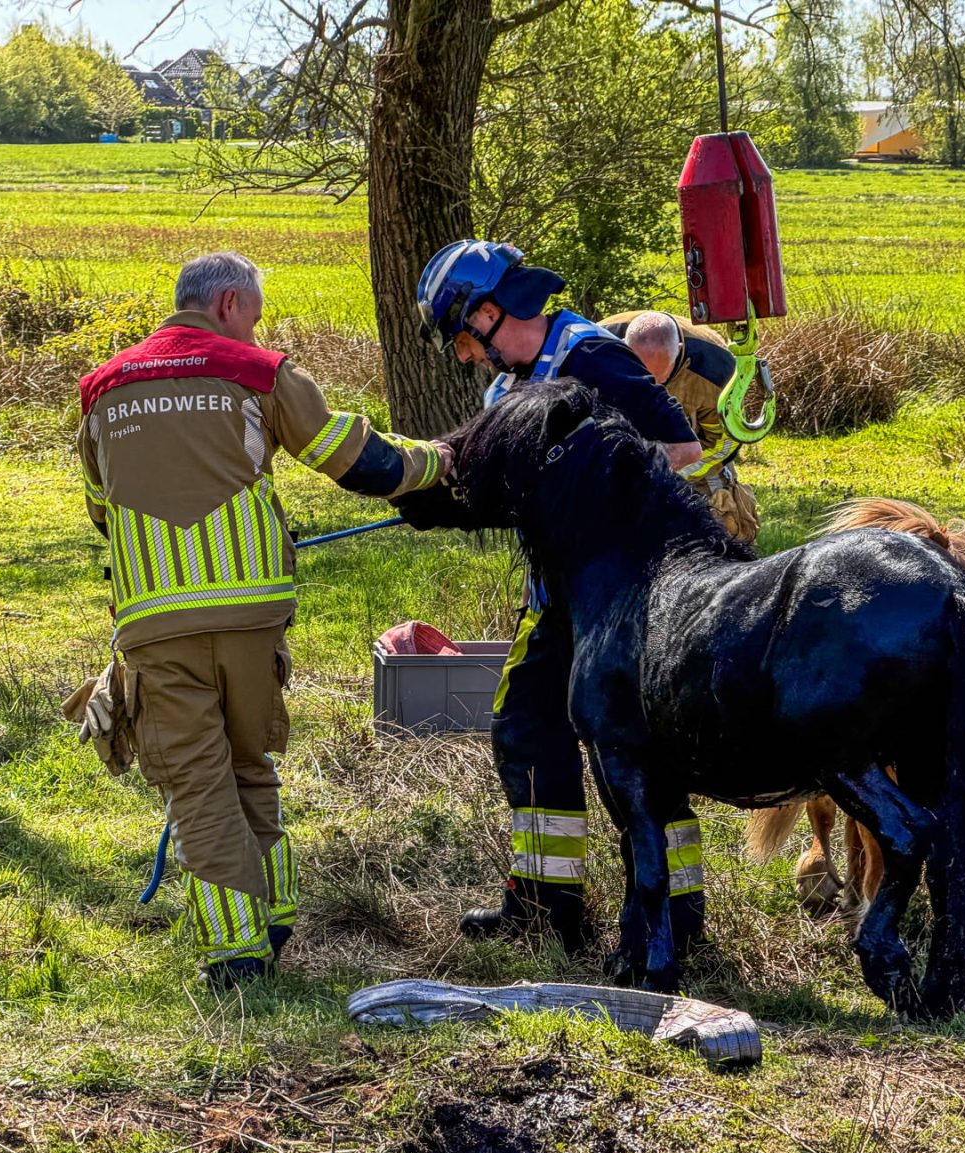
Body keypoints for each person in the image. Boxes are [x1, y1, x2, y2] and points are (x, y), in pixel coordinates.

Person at [79, 251, 451, 988]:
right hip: (252, 618)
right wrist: (438, 462)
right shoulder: (258, 372)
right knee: (249, 763)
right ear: (226, 305)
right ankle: (268, 922)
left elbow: (101, 508)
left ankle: (234, 949)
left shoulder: (101, 388)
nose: (257, 329)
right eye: (253, 314)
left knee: (195, 781)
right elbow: (359, 463)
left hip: (155, 622)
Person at [413, 239, 709, 960]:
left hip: (626, 599)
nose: (461, 355)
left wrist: (570, 487)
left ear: (488, 312)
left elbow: (680, 448)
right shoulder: (508, 385)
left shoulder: (590, 358)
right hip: (560, 594)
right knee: (525, 726)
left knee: (634, 750)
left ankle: (677, 915)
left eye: (460, 336)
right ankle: (547, 907)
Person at [602, 309, 760, 543]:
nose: (650, 386)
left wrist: (668, 469)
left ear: (679, 352)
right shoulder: (596, 347)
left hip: (694, 454)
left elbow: (724, 444)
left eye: (659, 378)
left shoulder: (717, 373)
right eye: (640, 374)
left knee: (718, 530)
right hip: (616, 450)